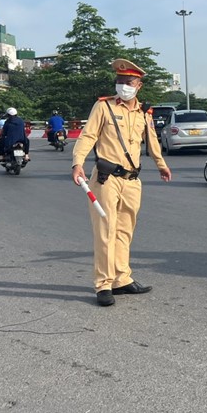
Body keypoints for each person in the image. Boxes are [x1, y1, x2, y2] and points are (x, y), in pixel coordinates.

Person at [71, 58, 172, 307]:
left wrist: (161, 164)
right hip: (106, 178)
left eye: (128, 82)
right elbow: (88, 136)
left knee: (125, 231)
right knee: (106, 231)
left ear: (139, 85)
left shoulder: (143, 112)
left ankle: (122, 279)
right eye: (119, 81)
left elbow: (152, 141)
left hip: (132, 180)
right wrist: (77, 163)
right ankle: (104, 285)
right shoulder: (103, 107)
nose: (122, 86)